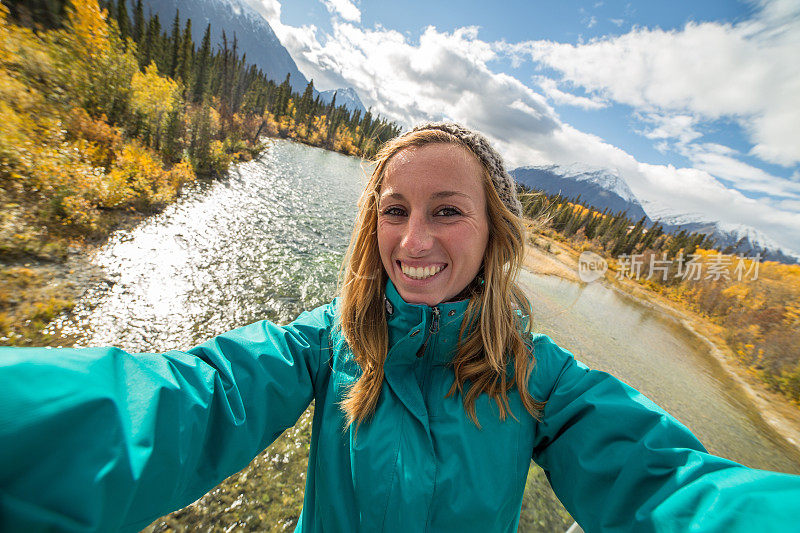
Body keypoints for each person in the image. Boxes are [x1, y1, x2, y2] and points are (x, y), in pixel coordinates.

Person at [1, 122, 798, 533]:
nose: (413, 241)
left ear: (494, 236)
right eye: (395, 211)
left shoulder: (542, 379)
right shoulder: (323, 342)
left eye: (447, 211)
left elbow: (668, 485)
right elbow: (186, 401)